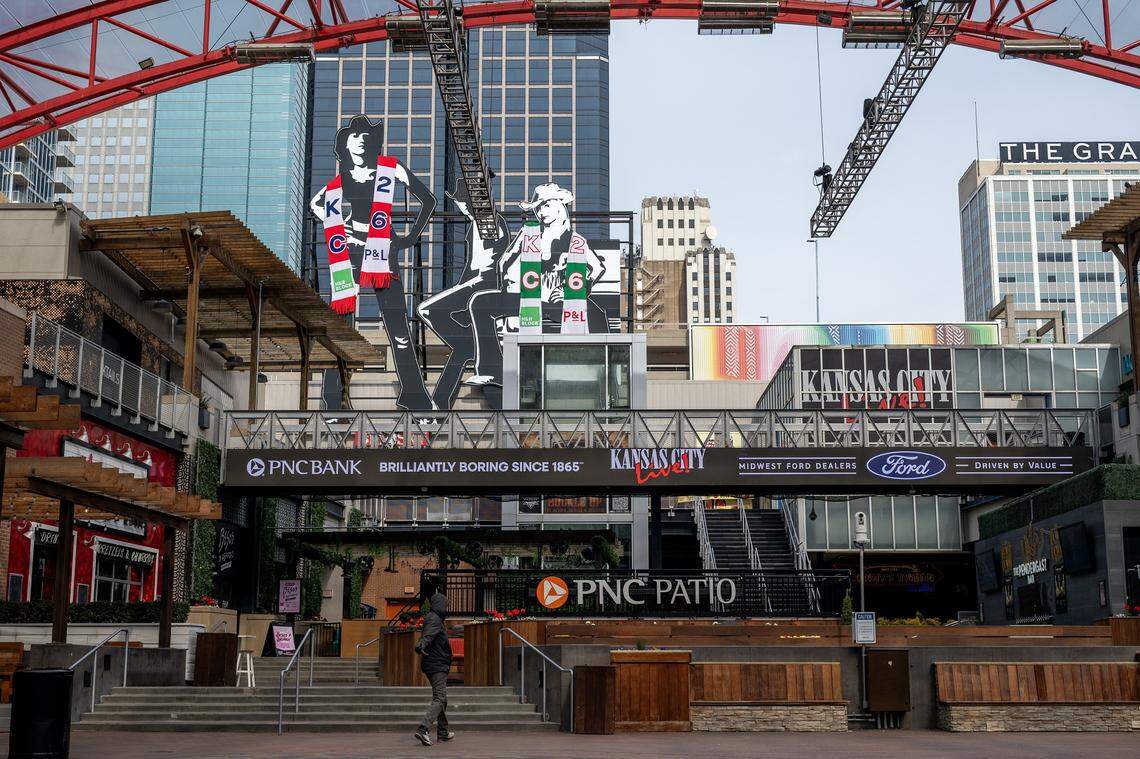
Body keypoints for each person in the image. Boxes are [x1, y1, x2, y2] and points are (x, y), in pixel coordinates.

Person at [310, 115, 437, 411]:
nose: (361, 138)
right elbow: (316, 205)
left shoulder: (390, 169)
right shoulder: (341, 181)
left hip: (383, 249)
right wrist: (341, 227)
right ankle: (333, 401)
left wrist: (408, 238)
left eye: (366, 134)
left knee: (398, 326)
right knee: (341, 326)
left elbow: (427, 200)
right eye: (354, 134)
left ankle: (414, 394)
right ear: (344, 144)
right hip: (350, 250)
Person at [414, 589, 455, 746]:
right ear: (439, 605)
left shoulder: (435, 618)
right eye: (446, 605)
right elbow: (427, 637)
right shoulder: (434, 619)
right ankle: (423, 728)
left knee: (442, 699)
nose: (447, 608)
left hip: (436, 663)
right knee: (439, 697)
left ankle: (443, 732)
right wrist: (421, 645)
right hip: (436, 664)